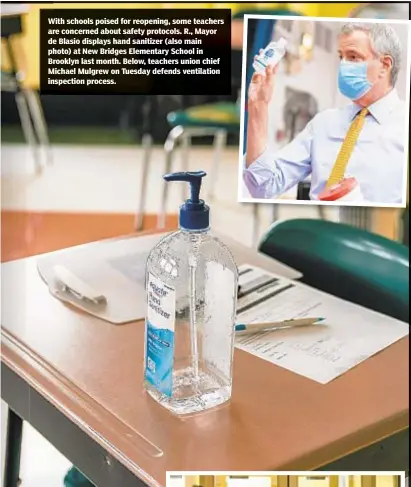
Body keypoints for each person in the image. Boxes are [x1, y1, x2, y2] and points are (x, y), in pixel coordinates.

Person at [243, 22, 407, 204]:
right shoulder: (324, 123)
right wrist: (259, 107)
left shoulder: (403, 125)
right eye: (341, 57)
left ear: (385, 65)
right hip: (319, 227)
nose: (343, 65)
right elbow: (264, 187)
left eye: (353, 57)